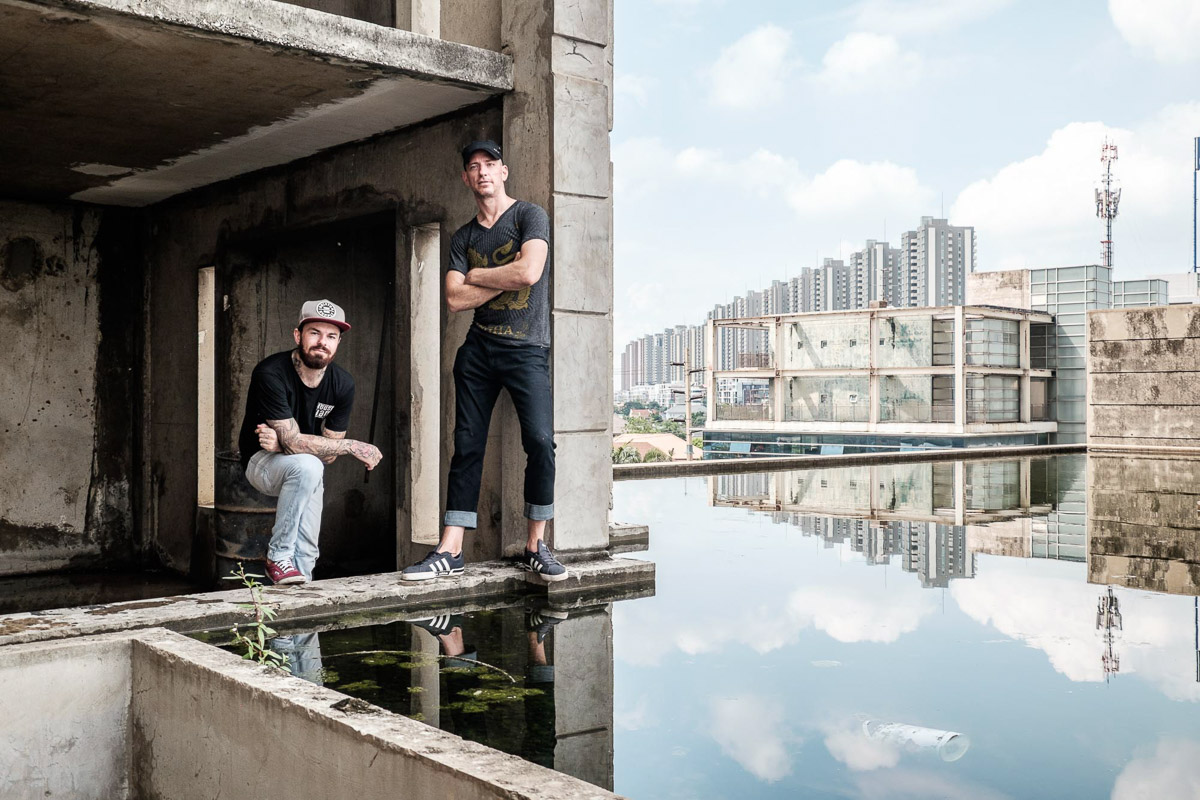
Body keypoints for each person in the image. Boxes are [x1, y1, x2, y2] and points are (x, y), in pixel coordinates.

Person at [401, 140, 566, 583]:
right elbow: (455, 300)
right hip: (478, 351)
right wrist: (497, 275)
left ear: (504, 171)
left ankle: (535, 545)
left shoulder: (529, 216)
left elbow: (530, 272)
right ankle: (450, 550)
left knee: (541, 442)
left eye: (489, 164)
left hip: (527, 349)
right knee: (467, 447)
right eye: (473, 167)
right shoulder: (464, 237)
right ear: (465, 178)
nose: (482, 173)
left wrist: (476, 275)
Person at [237, 299, 382, 585]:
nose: (322, 342)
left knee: (307, 553)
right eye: (314, 332)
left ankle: (299, 608)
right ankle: (278, 556)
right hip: (261, 463)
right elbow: (314, 447)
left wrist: (283, 443)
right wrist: (352, 446)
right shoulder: (271, 373)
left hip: (302, 464)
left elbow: (326, 455)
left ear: (338, 342)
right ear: (297, 335)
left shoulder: (343, 384)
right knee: (307, 465)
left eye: (331, 336)